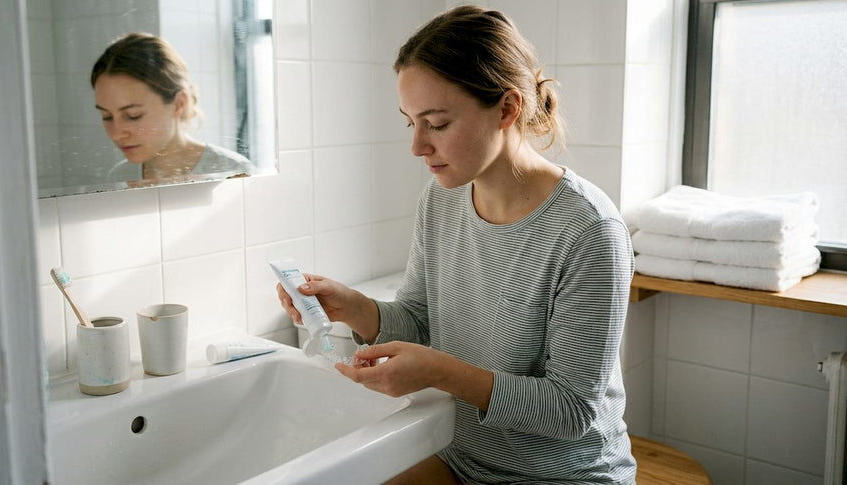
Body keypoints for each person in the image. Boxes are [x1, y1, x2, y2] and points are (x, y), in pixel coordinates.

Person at [276, 5, 636, 484]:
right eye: (411, 122)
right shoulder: (441, 200)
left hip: (565, 475)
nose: (417, 146)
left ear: (507, 108)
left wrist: (440, 372)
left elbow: (571, 411)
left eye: (437, 123)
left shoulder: (590, 229)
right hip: (461, 457)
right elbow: (422, 322)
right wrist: (355, 308)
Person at [90, 33, 252, 184]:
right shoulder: (119, 177)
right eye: (107, 116)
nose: (117, 134)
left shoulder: (233, 172)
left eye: (133, 116)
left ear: (179, 104)